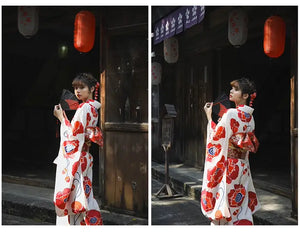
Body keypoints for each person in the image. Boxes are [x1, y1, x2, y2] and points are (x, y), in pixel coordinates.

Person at [201, 77, 260, 225]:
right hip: (243, 167)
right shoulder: (251, 118)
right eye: (232, 88)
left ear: (245, 96)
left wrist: (209, 117)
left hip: (230, 167)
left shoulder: (231, 114)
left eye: (236, 89)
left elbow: (216, 137)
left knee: (226, 203)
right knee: (240, 205)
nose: (231, 91)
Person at [53, 73, 103, 225]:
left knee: (75, 197)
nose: (77, 92)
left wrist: (61, 118)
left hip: (77, 158)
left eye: (82, 87)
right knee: (85, 194)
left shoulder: (83, 108)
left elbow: (73, 137)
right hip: (85, 157)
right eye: (75, 88)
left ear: (92, 88)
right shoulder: (93, 108)